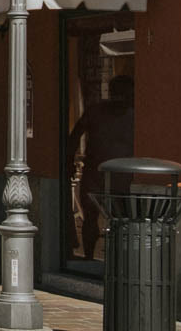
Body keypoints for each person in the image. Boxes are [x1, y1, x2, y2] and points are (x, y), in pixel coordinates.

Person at [69, 74, 135, 257]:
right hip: (100, 175)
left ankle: (98, 258)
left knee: (112, 220)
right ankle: (92, 257)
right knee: (96, 218)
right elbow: (74, 137)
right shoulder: (98, 112)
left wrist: (68, 161)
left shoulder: (132, 114)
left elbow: (74, 137)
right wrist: (68, 161)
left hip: (113, 176)